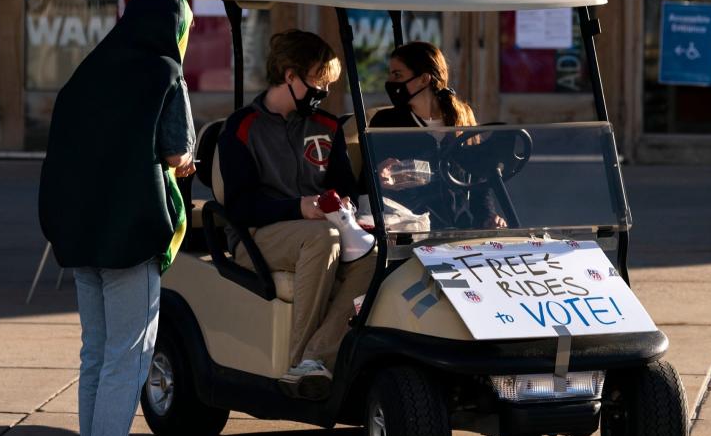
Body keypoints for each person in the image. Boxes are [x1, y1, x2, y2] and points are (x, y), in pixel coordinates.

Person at [39, 0, 196, 436]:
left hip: (80, 235)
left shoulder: (87, 72)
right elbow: (177, 152)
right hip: (131, 236)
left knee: (97, 356)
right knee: (127, 359)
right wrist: (182, 164)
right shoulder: (163, 74)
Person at [217, 29, 374, 398]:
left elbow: (343, 184)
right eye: (317, 83)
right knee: (322, 238)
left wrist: (345, 204)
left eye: (327, 85)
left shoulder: (327, 127)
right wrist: (298, 207)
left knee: (376, 255)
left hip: (321, 230)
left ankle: (313, 359)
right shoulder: (241, 128)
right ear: (289, 75)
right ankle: (297, 363)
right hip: (257, 234)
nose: (324, 94)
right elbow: (238, 205)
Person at [370, 41, 506, 229]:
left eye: (397, 75)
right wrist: (377, 176)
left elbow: (478, 183)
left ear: (424, 79)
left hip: (460, 232)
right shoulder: (386, 122)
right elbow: (363, 181)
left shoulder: (461, 118)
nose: (390, 82)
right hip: (411, 229)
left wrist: (489, 218)